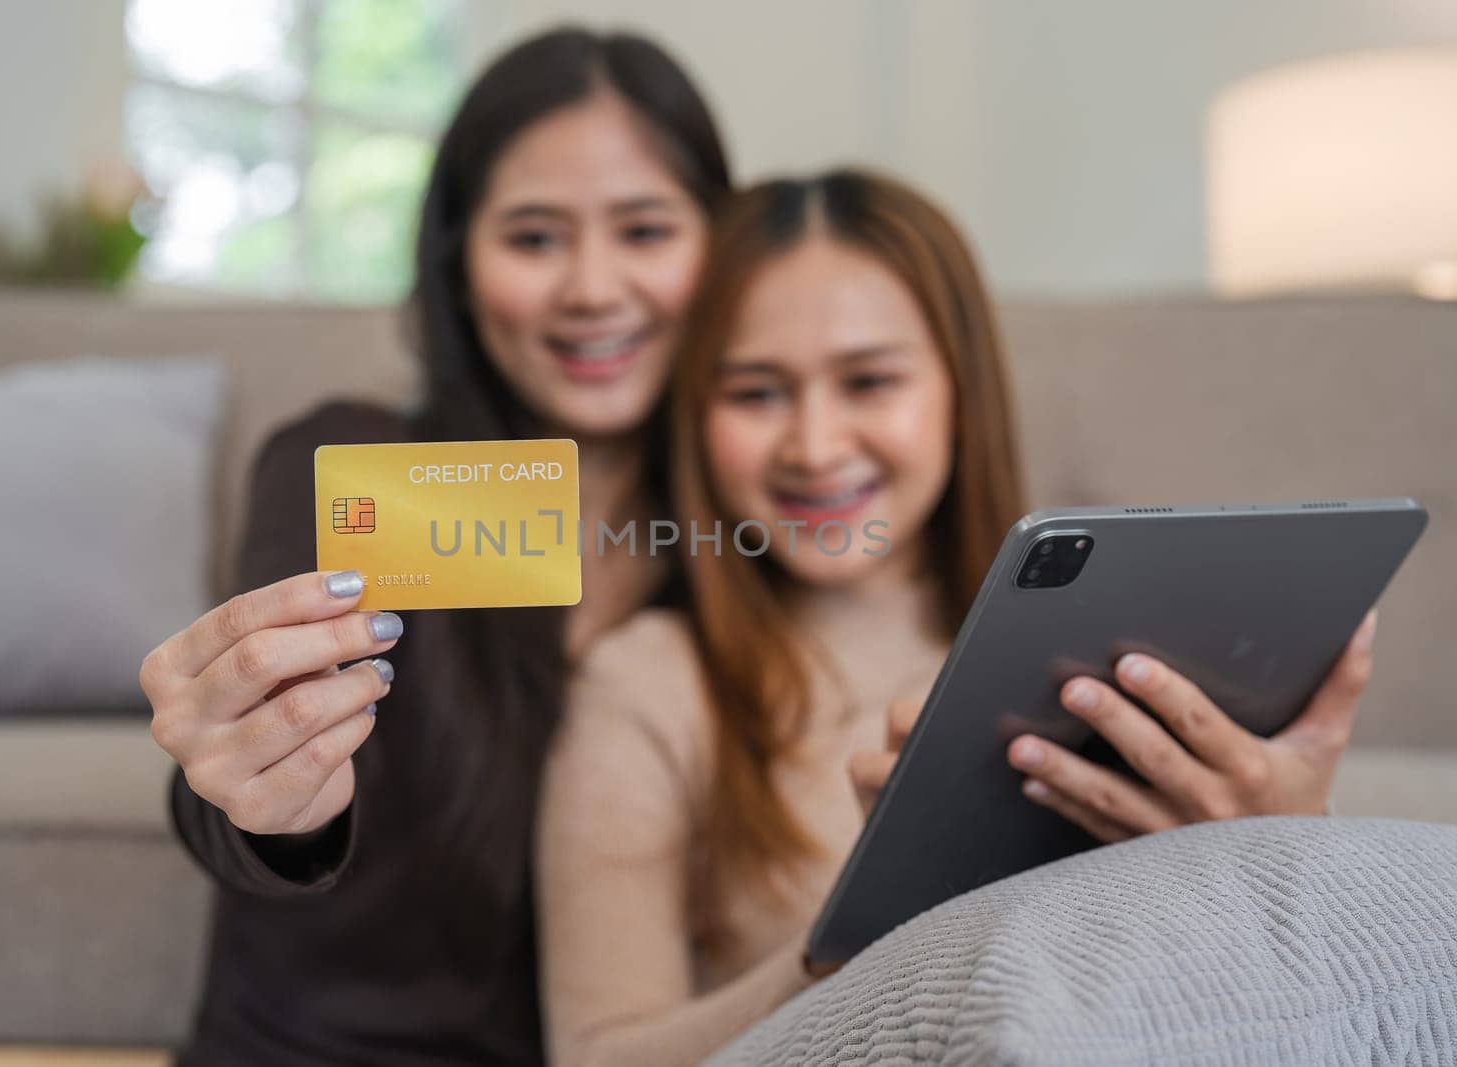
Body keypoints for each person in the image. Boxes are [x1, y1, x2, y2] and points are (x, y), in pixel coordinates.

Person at [535, 170, 1378, 1066]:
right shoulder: (649, 685)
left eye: (869, 380)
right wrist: (851, 946)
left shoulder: (1120, 644)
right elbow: (597, 1056)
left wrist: (1292, 836)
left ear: (959, 389)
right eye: (756, 392)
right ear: (694, 418)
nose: (815, 445)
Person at [139, 28, 731, 1066]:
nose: (592, 287)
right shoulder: (353, 466)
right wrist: (257, 786)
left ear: (720, 253)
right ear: (458, 265)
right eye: (535, 237)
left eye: (644, 229)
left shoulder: (751, 534)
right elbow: (236, 797)